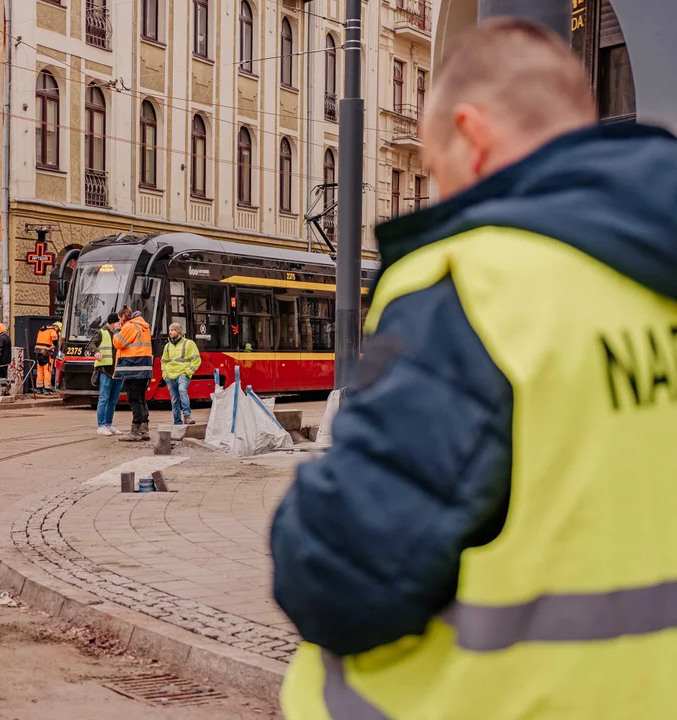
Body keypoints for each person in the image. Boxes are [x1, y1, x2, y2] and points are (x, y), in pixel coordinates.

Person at [271, 18, 677, 719]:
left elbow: (343, 573)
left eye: (433, 167)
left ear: (474, 136)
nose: (438, 190)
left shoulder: (478, 284)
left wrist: (303, 517)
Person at [114, 306, 152, 442]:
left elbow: (118, 343)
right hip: (144, 367)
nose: (119, 322)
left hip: (133, 367)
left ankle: (135, 431)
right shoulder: (143, 326)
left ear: (124, 316)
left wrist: (117, 329)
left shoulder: (130, 326)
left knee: (134, 399)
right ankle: (144, 429)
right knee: (141, 398)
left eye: (119, 319)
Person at [87, 312, 123, 435]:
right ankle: (101, 425)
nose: (120, 324)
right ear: (113, 323)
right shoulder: (101, 332)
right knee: (104, 399)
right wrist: (95, 352)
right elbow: (91, 344)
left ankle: (109, 424)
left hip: (117, 371)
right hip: (106, 370)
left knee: (113, 400)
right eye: (119, 322)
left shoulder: (119, 333)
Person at [161, 322, 200, 425]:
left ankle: (187, 416)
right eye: (169, 330)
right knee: (174, 400)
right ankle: (177, 421)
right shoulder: (167, 346)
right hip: (170, 376)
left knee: (182, 390)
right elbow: (164, 362)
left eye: (172, 330)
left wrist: (188, 372)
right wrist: (165, 374)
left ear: (178, 331)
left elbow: (196, 360)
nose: (170, 332)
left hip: (183, 373)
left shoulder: (189, 343)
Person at [33, 320, 62, 394]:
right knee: (48, 370)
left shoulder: (42, 329)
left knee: (40, 370)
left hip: (38, 352)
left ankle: (39, 388)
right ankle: (47, 388)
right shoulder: (52, 330)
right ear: (57, 327)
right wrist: (55, 345)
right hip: (47, 353)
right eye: (58, 330)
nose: (58, 332)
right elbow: (55, 339)